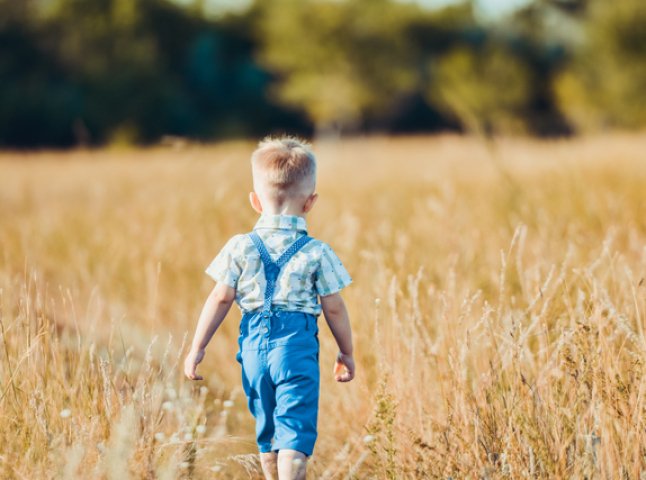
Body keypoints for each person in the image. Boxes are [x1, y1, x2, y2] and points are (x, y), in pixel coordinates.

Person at [184, 136, 355, 480]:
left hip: (252, 349)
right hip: (296, 348)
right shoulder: (317, 252)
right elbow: (334, 307)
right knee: (294, 429)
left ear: (254, 201)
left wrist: (196, 347)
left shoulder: (240, 247)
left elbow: (220, 298)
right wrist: (346, 351)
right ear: (310, 203)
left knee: (268, 432)